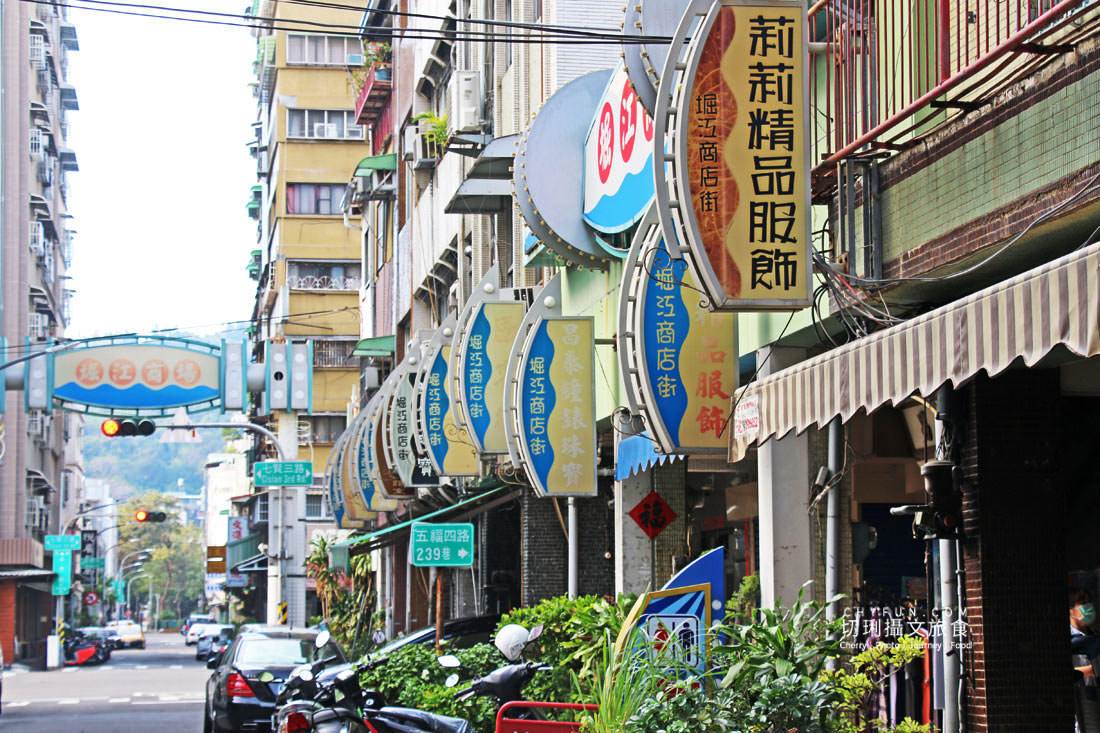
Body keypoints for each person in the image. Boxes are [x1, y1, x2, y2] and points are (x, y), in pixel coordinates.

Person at [1071, 588, 1100, 732]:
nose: (1088, 607)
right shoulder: (1070, 640)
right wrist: (1088, 671)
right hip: (1078, 704)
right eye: (1082, 603)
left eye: (1089, 602)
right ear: (1071, 610)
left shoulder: (1095, 637)